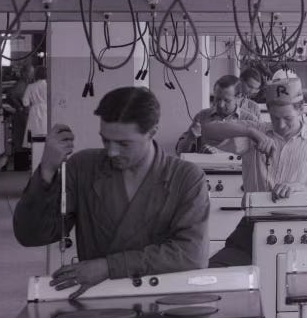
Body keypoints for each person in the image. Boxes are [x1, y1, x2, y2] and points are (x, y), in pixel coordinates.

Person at [12, 86, 210, 294]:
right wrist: (46, 169)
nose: (112, 152)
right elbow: (31, 235)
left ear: (152, 132)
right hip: (97, 302)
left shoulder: (187, 177)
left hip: (164, 299)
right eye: (106, 140)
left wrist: (108, 267)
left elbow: (191, 255)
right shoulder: (83, 167)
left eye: (124, 144)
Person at [202, 78, 307, 266]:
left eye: (287, 118)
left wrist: (300, 189)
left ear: (300, 109)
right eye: (274, 118)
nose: (280, 125)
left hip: (300, 230)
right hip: (253, 227)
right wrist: (252, 131)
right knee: (216, 275)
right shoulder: (255, 134)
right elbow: (208, 131)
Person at [175, 75, 260, 155]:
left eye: (226, 100)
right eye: (218, 99)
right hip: (204, 170)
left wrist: (220, 153)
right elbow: (180, 152)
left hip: (239, 170)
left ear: (238, 97)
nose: (221, 105)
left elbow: (258, 155)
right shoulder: (202, 116)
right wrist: (190, 138)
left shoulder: (251, 120)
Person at [23, 66, 50, 149]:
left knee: (34, 134)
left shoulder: (31, 86)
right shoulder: (48, 86)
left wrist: (29, 107)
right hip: (46, 111)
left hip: (34, 111)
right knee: (45, 132)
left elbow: (25, 101)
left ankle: (34, 154)